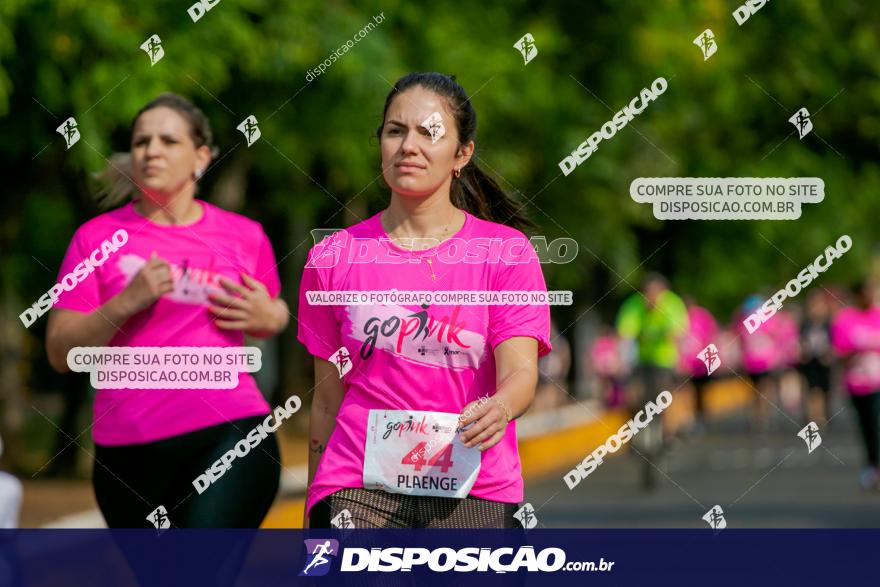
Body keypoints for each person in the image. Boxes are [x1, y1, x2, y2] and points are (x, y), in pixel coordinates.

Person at [299, 72, 551, 529]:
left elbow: (520, 370)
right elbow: (326, 400)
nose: (408, 145)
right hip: (358, 488)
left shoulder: (506, 253)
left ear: (462, 154)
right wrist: (313, 520)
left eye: (428, 132)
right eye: (395, 131)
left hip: (475, 491)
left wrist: (502, 407)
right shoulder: (332, 257)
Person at [45, 93, 289, 527]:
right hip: (128, 447)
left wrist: (271, 317)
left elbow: (275, 312)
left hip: (229, 428)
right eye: (141, 142)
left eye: (167, 141)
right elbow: (59, 352)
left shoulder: (244, 236)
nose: (151, 150)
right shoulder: (97, 238)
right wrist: (125, 302)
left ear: (199, 157)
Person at [830, 281, 880, 491]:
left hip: (878, 382)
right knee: (867, 427)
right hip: (856, 384)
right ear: (858, 295)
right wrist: (857, 350)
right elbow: (837, 354)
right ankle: (872, 466)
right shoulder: (845, 320)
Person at [678, 296, 719, 433]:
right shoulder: (678, 316)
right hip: (686, 364)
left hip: (701, 364)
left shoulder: (703, 316)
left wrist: (712, 361)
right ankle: (689, 418)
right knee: (687, 391)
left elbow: (711, 337)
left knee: (701, 392)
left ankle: (702, 417)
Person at [798, 290, 834, 427]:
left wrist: (830, 353)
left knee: (825, 390)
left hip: (824, 361)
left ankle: (823, 415)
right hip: (810, 361)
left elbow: (834, 341)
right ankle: (814, 418)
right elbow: (800, 341)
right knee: (812, 389)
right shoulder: (805, 324)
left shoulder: (829, 324)